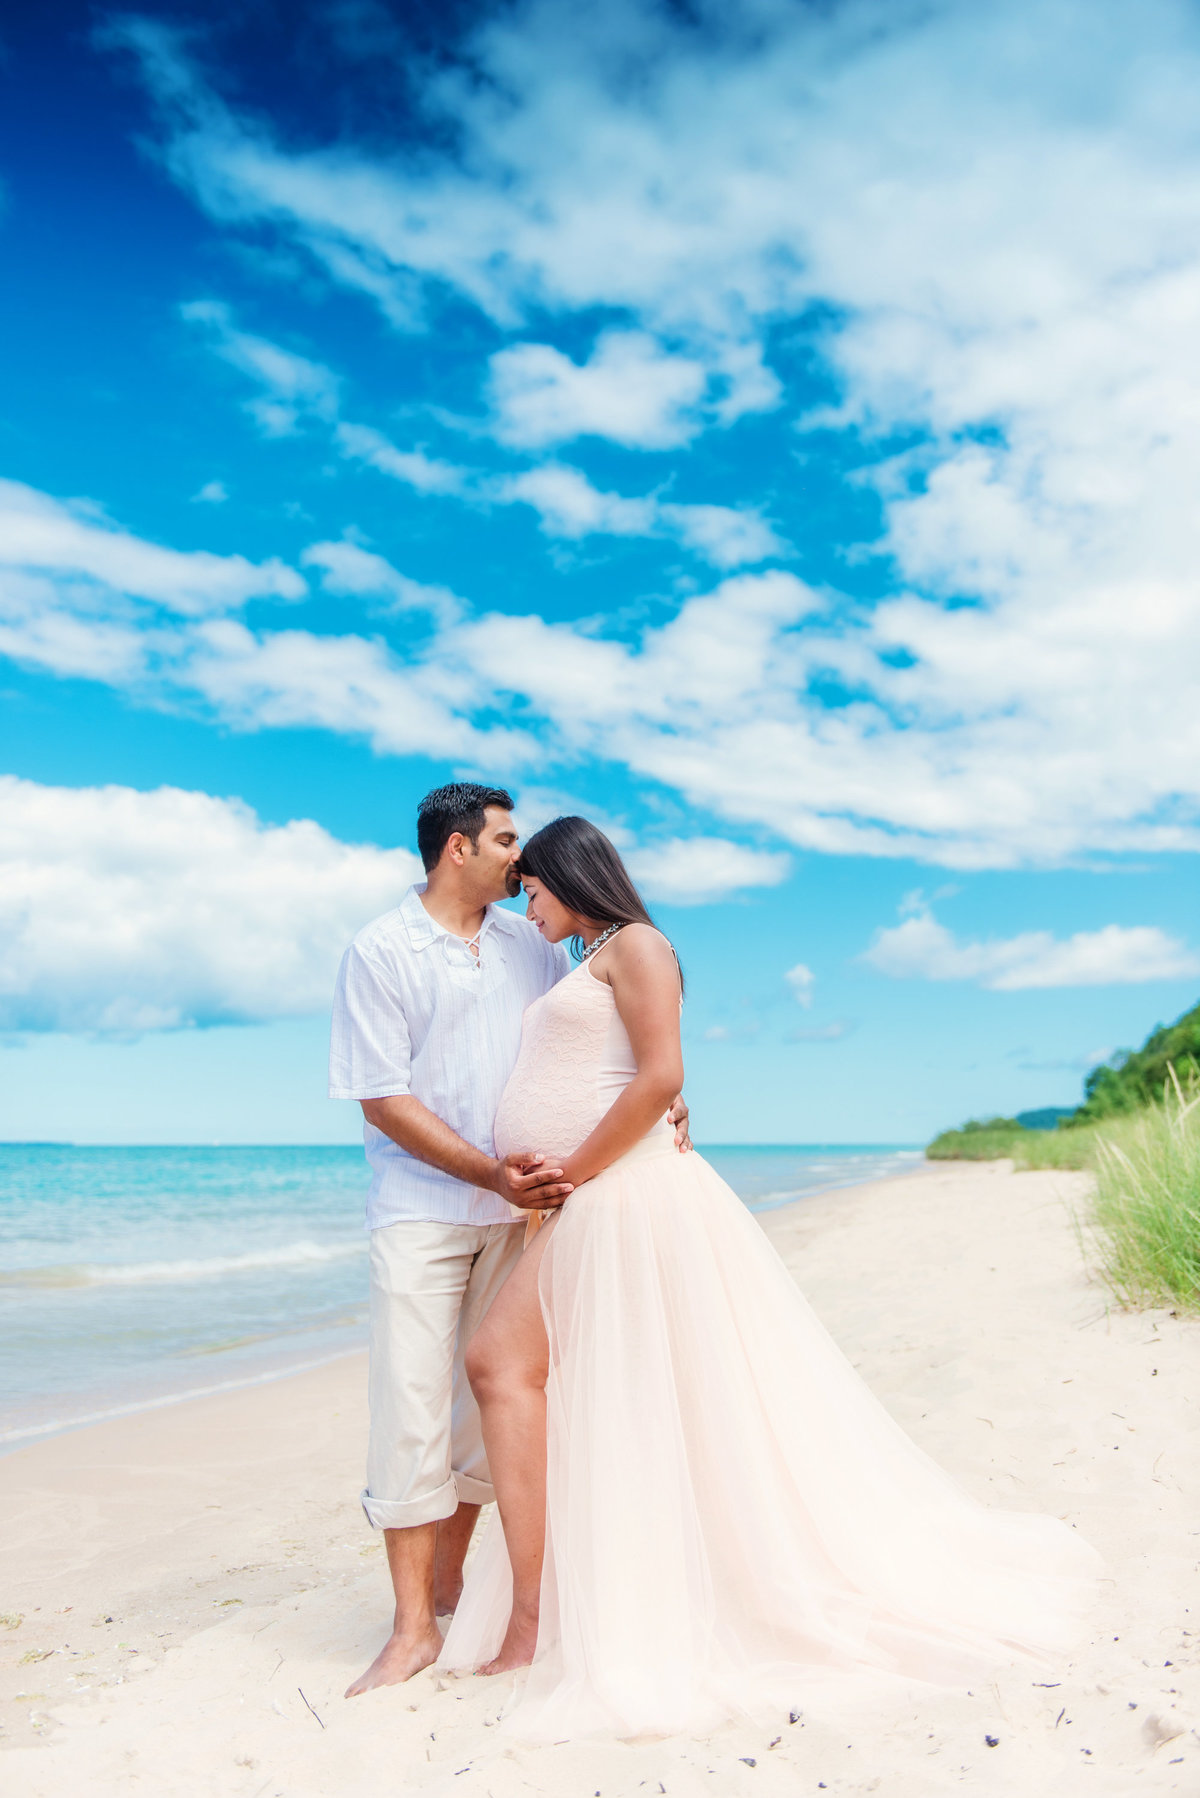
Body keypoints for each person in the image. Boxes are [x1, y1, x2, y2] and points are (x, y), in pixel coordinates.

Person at [439, 816, 1100, 1742]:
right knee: (579, 1386)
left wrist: (579, 1170)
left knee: (501, 1364)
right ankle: (557, 1604)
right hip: (601, 1199)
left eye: (534, 885)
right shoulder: (587, 955)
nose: (526, 899)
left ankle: (537, 1617)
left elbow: (662, 1069)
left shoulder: (638, 944)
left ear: (567, 872)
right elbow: (640, 1074)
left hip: (622, 1197)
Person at [328, 785, 689, 1698]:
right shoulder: (381, 950)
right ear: (457, 850)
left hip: (529, 1217)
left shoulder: (536, 939)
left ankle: (457, 1592)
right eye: (504, 843)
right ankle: (412, 1630)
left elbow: (624, 1025)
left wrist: (665, 1095)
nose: (520, 862)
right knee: (411, 1409)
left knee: (490, 1415)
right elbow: (382, 1096)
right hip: (425, 1208)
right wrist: (492, 1169)